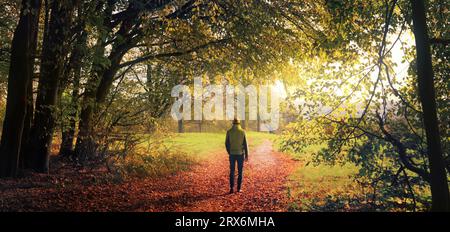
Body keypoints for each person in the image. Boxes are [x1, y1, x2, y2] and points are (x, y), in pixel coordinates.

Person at [225, 118, 249, 194]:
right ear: (239, 124)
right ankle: (238, 189)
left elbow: (226, 143)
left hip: (232, 154)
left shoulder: (229, 132)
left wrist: (229, 152)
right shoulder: (242, 132)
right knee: (240, 171)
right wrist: (247, 155)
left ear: (233, 124)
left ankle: (231, 188)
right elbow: (245, 144)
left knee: (232, 171)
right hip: (240, 154)